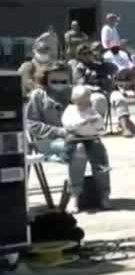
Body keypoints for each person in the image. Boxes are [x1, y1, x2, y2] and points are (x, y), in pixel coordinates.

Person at [24, 65, 112, 213]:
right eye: (55, 81)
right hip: (49, 141)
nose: (60, 85)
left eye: (63, 81)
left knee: (99, 148)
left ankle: (104, 194)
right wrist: (60, 132)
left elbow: (91, 110)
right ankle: (74, 195)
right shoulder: (38, 96)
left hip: (82, 136)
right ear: (46, 79)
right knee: (78, 150)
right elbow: (31, 123)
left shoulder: (76, 93)